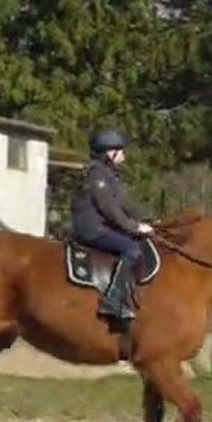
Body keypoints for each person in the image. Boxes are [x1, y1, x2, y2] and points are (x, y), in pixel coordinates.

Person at [70, 127, 154, 322]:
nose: (124, 155)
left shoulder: (109, 175)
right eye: (120, 151)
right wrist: (134, 228)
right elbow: (110, 210)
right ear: (109, 153)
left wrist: (150, 219)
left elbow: (125, 203)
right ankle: (113, 300)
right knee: (131, 249)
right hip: (92, 229)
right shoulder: (97, 175)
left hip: (102, 226)